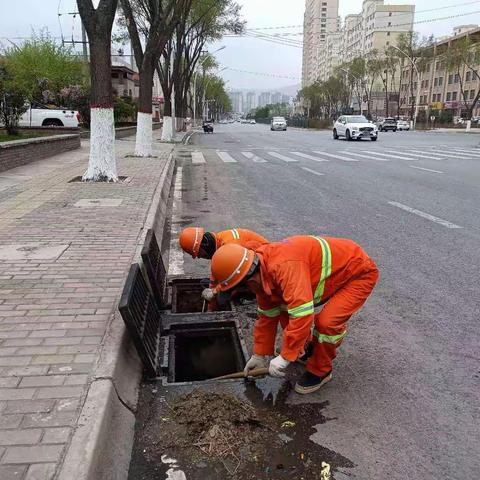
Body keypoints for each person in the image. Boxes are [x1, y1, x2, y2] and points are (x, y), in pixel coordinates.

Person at [210, 236, 379, 394]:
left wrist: (285, 357)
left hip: (357, 273)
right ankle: (304, 350)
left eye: (241, 288)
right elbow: (267, 318)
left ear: (249, 280)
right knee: (284, 307)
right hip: (336, 273)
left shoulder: (285, 266)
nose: (245, 293)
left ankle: (321, 370)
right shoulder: (261, 274)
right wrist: (259, 355)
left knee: (327, 323)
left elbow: (302, 315)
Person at [179, 227, 268, 306]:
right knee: (207, 285)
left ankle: (253, 294)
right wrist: (211, 291)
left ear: (203, 246)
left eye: (199, 254)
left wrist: (215, 292)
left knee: (222, 299)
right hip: (247, 266)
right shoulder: (219, 240)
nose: (199, 257)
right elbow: (216, 275)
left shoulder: (230, 246)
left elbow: (233, 275)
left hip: (261, 269)